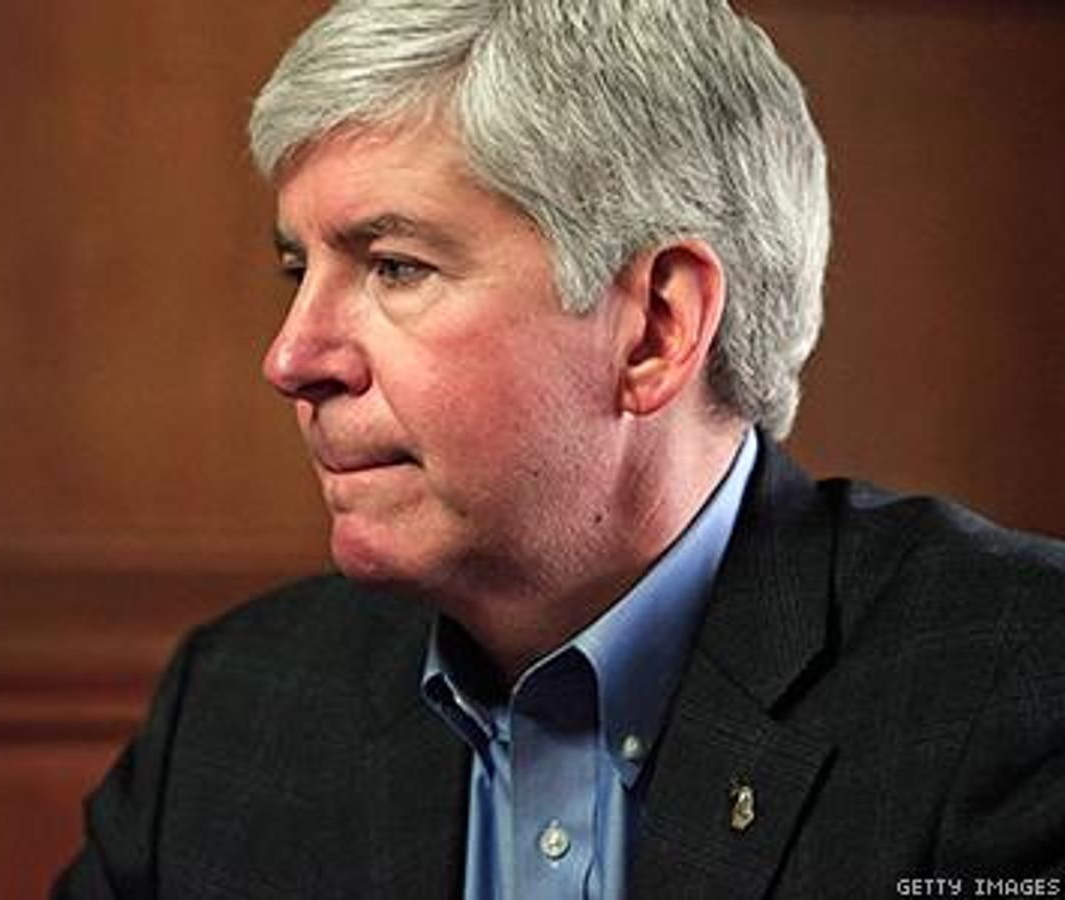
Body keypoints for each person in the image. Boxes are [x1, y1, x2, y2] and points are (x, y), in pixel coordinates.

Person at [54, 1, 1065, 897]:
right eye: (296, 271)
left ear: (657, 329)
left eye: (395, 267)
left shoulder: (1019, 691)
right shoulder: (237, 705)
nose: (290, 359)